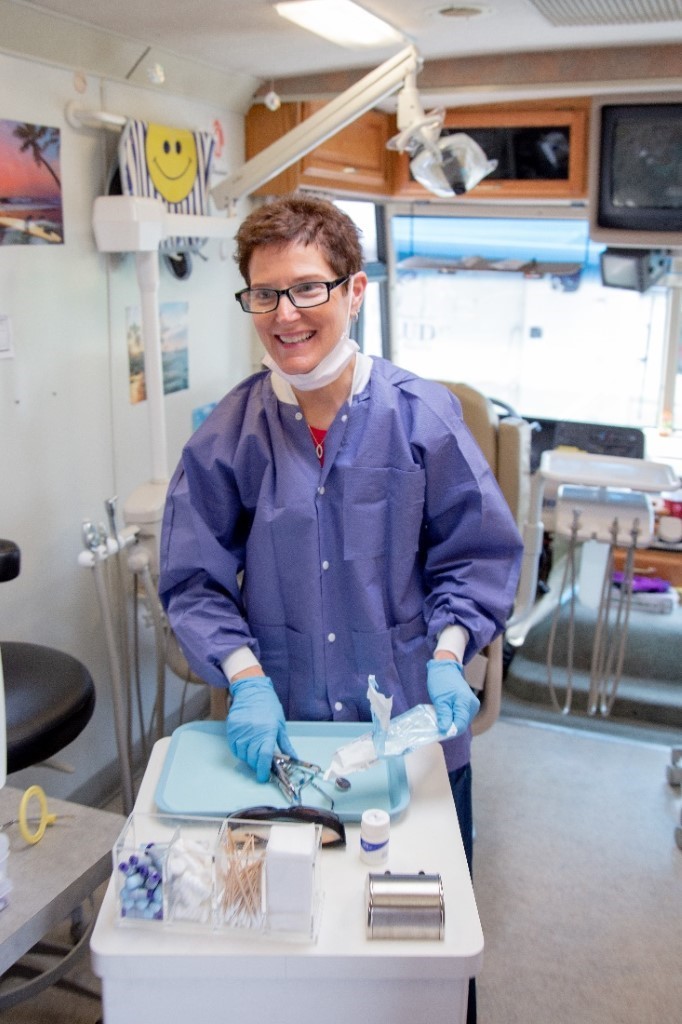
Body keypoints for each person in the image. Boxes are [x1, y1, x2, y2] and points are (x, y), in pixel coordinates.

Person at [158, 195, 523, 1017]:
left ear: (355, 291)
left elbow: (476, 553)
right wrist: (244, 678)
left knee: (424, 960)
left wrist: (448, 650)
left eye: (308, 288)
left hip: (412, 738)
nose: (285, 315)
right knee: (286, 949)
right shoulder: (230, 434)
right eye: (264, 293)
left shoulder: (421, 417)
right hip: (281, 736)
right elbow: (193, 577)